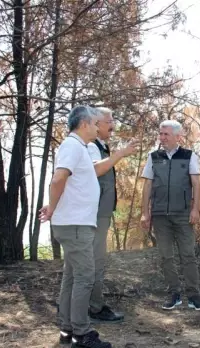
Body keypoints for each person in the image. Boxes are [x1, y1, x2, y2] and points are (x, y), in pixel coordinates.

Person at [39, 105, 111, 348]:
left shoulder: (77, 147)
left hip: (75, 223)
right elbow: (59, 178)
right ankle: (82, 334)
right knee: (84, 277)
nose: (97, 127)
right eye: (94, 123)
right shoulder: (72, 146)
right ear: (83, 125)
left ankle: (67, 328)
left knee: (71, 277)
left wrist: (54, 206)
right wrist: (52, 208)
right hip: (75, 225)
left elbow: (69, 183)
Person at [140, 120, 200, 311]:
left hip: (183, 215)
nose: (162, 138)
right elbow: (147, 185)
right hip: (160, 215)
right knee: (166, 256)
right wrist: (145, 213)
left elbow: (196, 184)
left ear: (178, 137)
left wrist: (195, 210)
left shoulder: (189, 156)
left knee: (188, 255)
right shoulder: (153, 157)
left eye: (166, 134)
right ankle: (174, 293)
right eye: (160, 134)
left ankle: (194, 295)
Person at [85, 107, 139, 323]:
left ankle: (85, 305)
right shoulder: (90, 146)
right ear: (96, 124)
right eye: (109, 121)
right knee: (95, 261)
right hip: (94, 214)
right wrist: (121, 154)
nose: (113, 125)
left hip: (100, 213)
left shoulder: (100, 146)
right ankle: (94, 308)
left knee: (94, 260)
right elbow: (94, 170)